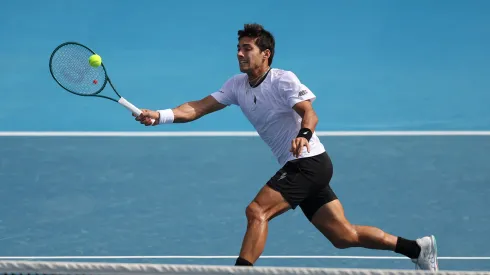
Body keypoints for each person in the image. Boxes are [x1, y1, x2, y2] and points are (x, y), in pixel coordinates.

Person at [133, 23, 438, 271]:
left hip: (308, 162)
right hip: (306, 167)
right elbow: (198, 107)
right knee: (344, 236)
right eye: (238, 48)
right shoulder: (236, 85)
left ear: (265, 54)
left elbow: (310, 112)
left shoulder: (282, 80)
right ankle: (417, 248)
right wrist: (159, 116)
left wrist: (304, 134)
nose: (239, 54)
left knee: (257, 211)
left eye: (247, 48)